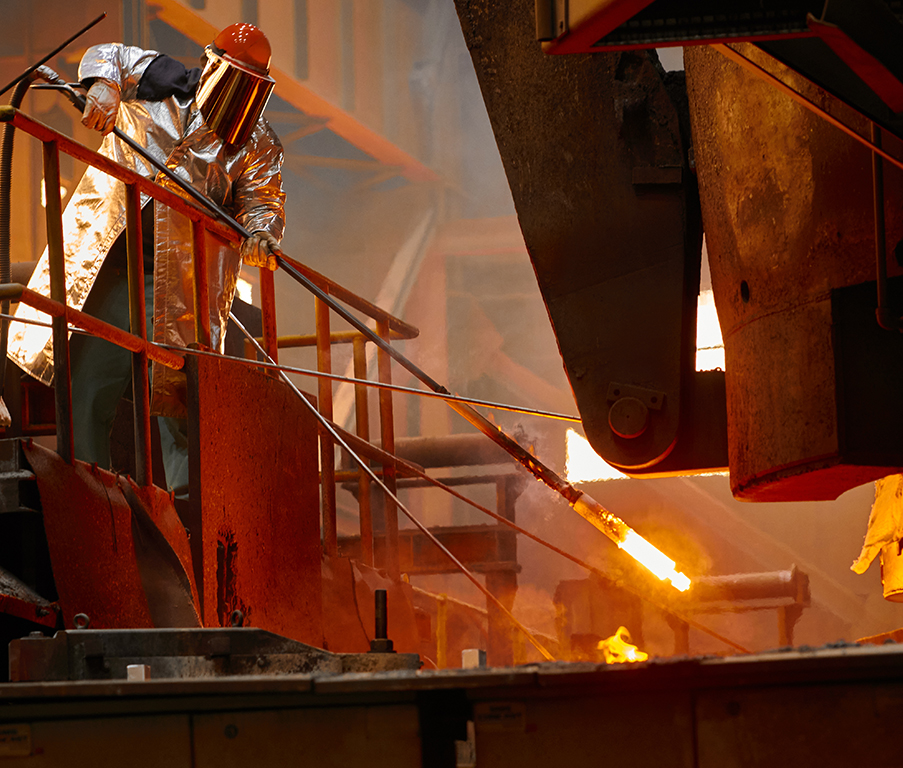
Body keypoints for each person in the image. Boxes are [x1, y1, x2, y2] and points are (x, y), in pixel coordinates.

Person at [7, 23, 286, 491]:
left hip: (180, 282)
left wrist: (262, 232)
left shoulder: (255, 141)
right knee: (88, 388)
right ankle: (84, 491)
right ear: (212, 63)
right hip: (112, 265)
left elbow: (263, 201)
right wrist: (101, 87)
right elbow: (106, 55)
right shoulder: (161, 79)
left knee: (179, 404)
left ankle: (188, 511)